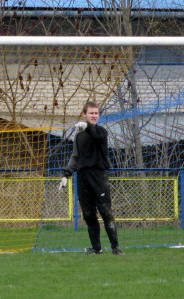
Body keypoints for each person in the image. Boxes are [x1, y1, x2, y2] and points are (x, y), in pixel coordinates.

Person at [60, 101, 124, 255]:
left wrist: (87, 127)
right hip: (83, 178)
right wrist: (66, 174)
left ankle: (115, 247)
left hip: (99, 176)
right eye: (91, 113)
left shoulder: (101, 132)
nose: (94, 116)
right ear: (84, 114)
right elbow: (75, 157)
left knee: (105, 211)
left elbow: (94, 133)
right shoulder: (79, 136)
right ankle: (96, 248)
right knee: (88, 214)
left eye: (96, 113)